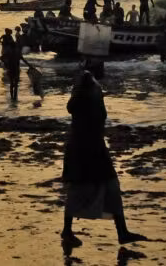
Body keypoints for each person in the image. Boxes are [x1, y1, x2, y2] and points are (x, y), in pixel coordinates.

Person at [60, 60, 147, 247]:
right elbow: (82, 110)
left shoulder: (86, 90)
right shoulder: (87, 90)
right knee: (84, 188)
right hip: (85, 148)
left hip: (89, 146)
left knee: (106, 186)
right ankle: (69, 230)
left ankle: (121, 231)